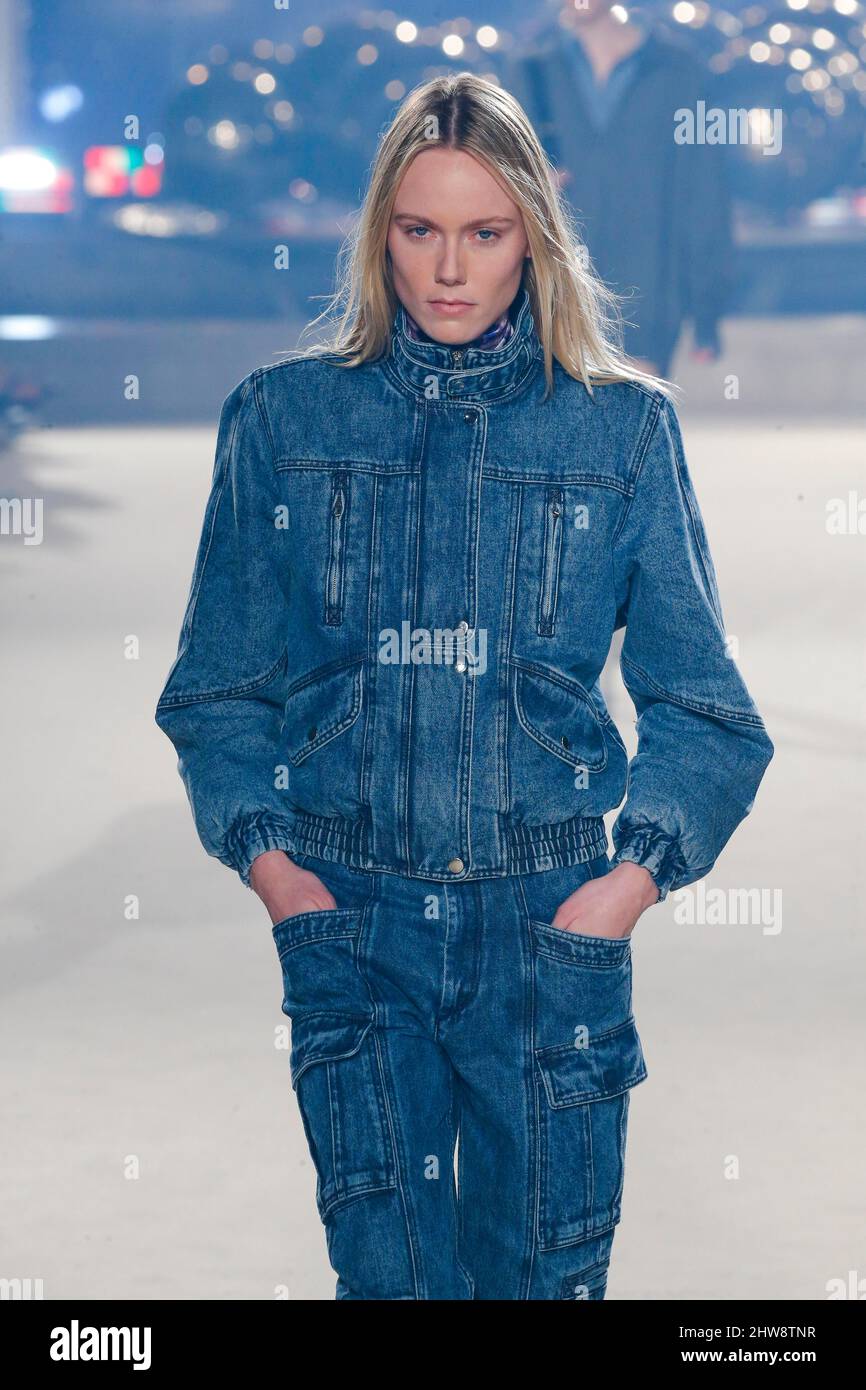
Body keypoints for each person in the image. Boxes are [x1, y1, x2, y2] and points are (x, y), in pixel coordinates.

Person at [154, 73, 773, 1300]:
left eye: (484, 234)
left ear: (531, 240)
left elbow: (703, 707)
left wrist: (621, 889)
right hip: (352, 919)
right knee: (388, 1286)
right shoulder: (283, 419)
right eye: (418, 230)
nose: (448, 269)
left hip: (547, 930)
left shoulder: (619, 431)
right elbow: (218, 689)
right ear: (377, 233)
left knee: (541, 1287)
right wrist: (282, 879)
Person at [503, 0, 735, 378]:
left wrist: (706, 308)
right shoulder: (531, 71)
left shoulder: (677, 71)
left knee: (631, 423)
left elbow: (704, 190)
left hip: (645, 294)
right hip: (554, 292)